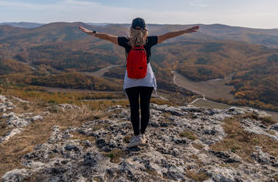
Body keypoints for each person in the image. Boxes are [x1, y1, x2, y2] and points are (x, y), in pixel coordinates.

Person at [79, 18, 199, 148]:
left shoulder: (126, 42)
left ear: (131, 29)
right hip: (146, 78)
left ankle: (136, 137)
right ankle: (143, 134)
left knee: (134, 108)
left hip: (131, 79)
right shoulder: (149, 41)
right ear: (144, 29)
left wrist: (91, 32)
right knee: (145, 107)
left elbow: (107, 37)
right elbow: (168, 35)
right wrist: (186, 31)